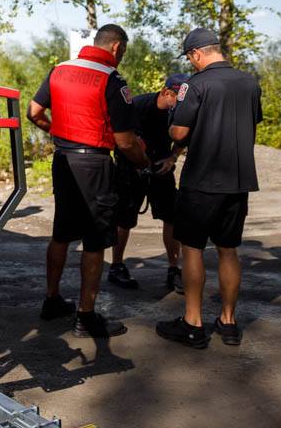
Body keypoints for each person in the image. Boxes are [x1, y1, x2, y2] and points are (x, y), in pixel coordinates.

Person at [27, 24, 151, 338]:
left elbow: (34, 111)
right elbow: (125, 142)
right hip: (94, 163)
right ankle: (86, 316)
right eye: (122, 51)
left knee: (62, 232)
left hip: (63, 159)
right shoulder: (112, 78)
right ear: (116, 47)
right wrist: (144, 163)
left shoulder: (60, 70)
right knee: (95, 241)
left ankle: (52, 300)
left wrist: (57, 132)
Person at [156, 28, 262, 349]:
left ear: (197, 54)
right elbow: (251, 123)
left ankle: (192, 323)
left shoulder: (195, 84)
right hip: (238, 180)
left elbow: (178, 133)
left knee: (192, 248)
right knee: (229, 250)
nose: (191, 63)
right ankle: (228, 322)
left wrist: (176, 121)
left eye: (190, 58)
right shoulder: (250, 82)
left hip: (202, 180)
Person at [109, 73, 191, 293]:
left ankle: (174, 270)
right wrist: (141, 163)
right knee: (124, 219)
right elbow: (125, 140)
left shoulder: (181, 112)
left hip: (161, 167)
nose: (180, 106)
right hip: (131, 168)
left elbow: (184, 136)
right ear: (166, 92)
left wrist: (172, 158)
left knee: (172, 216)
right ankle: (116, 266)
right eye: (177, 100)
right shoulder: (138, 105)